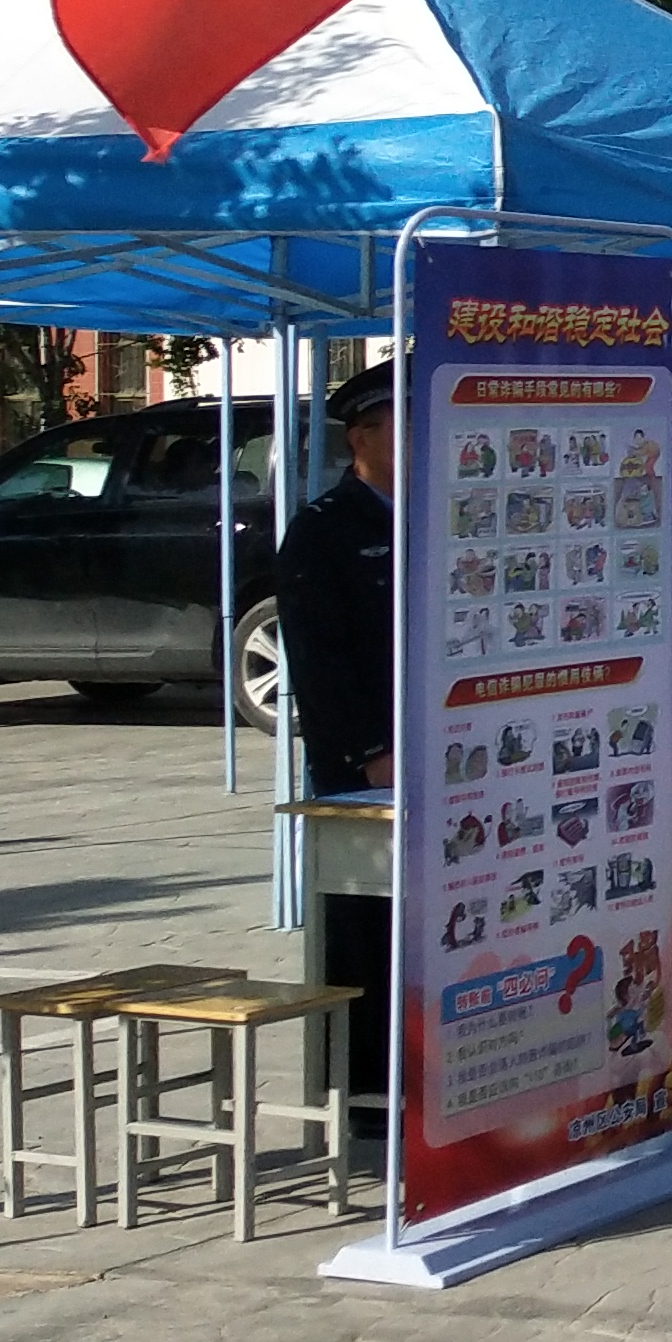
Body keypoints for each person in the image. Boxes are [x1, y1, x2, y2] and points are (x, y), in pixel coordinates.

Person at [279, 362, 402, 1099]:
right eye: (402, 428)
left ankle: (416, 1075)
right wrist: (368, 752)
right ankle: (360, 1090)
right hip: (363, 769)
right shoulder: (324, 531)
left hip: (438, 754)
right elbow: (318, 660)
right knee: (364, 930)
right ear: (361, 438)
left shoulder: (438, 518)